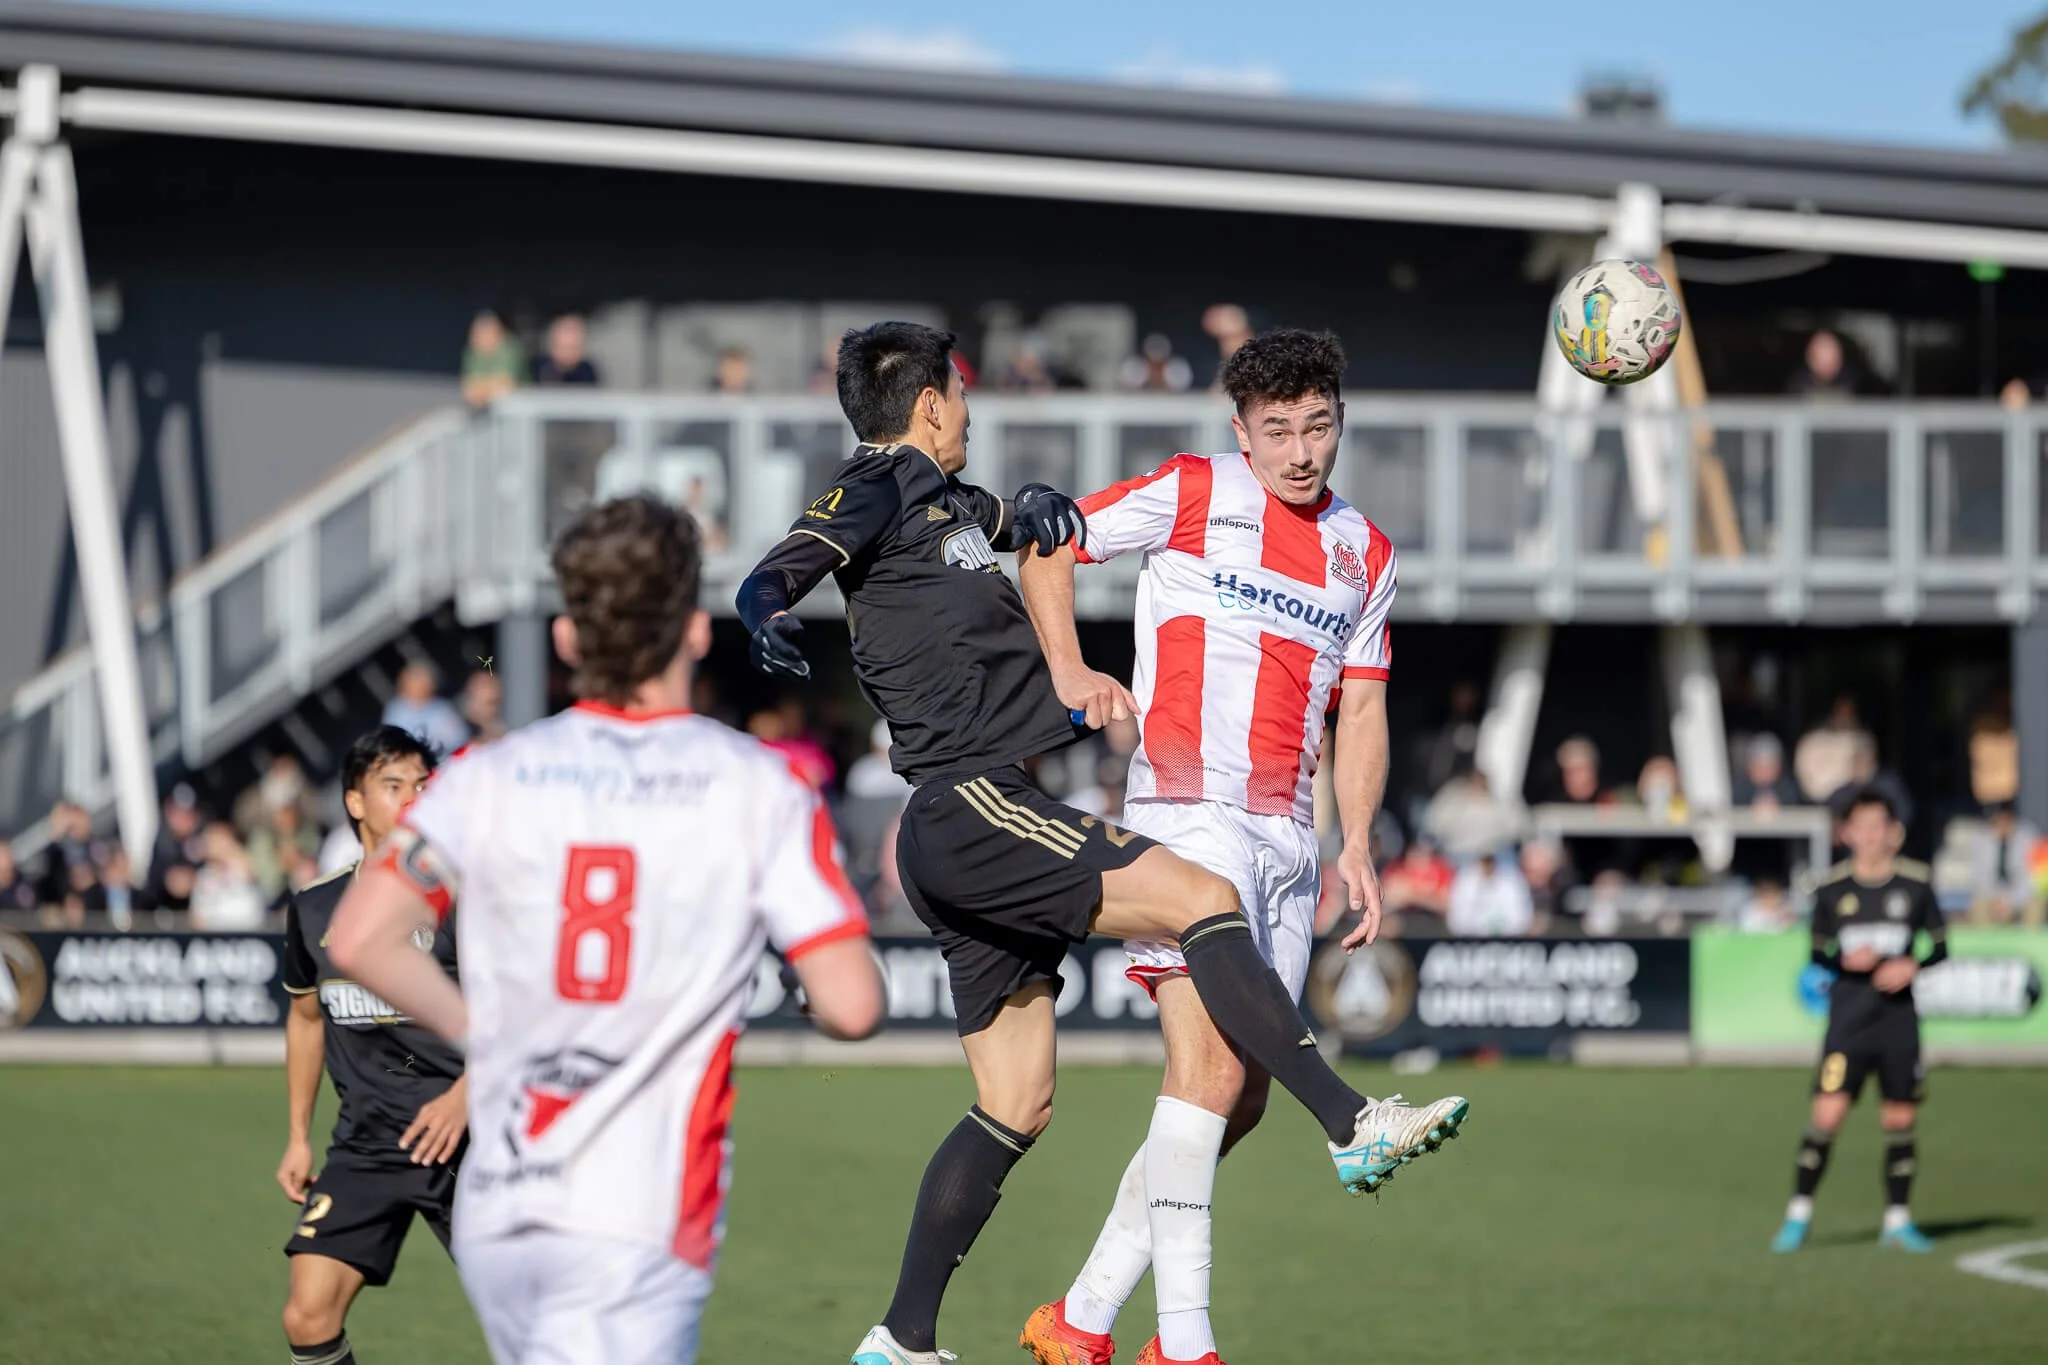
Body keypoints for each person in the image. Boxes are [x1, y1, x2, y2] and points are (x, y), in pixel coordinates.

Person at [735, 320, 1462, 1365]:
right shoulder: (883, 479)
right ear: (930, 401)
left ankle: (904, 1342)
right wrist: (764, 600)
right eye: (961, 394)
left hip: (989, 817)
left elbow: (1030, 529)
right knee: (1201, 902)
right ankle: (1345, 1131)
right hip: (969, 801)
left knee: (1017, 1104)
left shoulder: (945, 502)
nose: (972, 410)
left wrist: (1031, 512)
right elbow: (805, 550)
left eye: (1318, 426)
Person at [327, 496, 884, 1365]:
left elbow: (360, 938)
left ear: (567, 638)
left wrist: (489, 1034)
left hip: (502, 1203)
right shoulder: (757, 785)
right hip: (640, 1210)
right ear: (697, 632)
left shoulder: (485, 774)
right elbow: (851, 1002)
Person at [1012, 328, 1467, 1365]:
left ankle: (1079, 1322)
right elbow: (1048, 544)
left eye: (1317, 426)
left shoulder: (1364, 551)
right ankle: (1186, 1347)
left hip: (1285, 836)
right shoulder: (1187, 489)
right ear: (1239, 431)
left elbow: (1361, 711)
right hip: (1181, 814)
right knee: (1209, 1067)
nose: (1301, 451)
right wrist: (1068, 670)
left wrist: (1355, 842)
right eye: (1277, 431)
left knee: (1238, 1093)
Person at [277, 726, 461, 1365]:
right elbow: (305, 1020)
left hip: (470, 1141)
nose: (412, 798)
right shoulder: (315, 908)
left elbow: (518, 1019)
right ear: (355, 801)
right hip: (368, 1144)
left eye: (422, 785)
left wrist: (465, 1099)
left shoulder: (465, 901)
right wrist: (299, 1135)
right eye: (393, 785)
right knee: (307, 1315)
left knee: (547, 1325)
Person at [1771, 787, 1947, 1255]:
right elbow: (1816, 955)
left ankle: (1898, 1220)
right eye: (1860, 828)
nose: (1870, 837)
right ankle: (1798, 1215)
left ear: (1893, 832)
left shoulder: (1916, 885)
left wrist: (1913, 966)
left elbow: (1942, 948)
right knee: (1827, 1115)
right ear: (1846, 833)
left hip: (1898, 1023)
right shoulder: (1831, 889)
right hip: (1848, 1023)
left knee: (1900, 1118)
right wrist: (1845, 961)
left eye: (1878, 827)